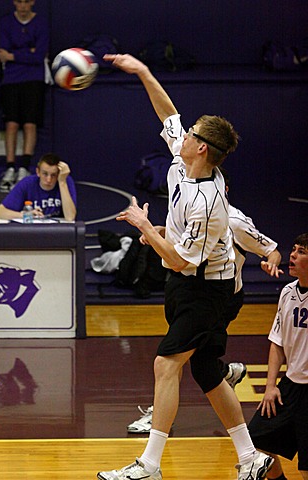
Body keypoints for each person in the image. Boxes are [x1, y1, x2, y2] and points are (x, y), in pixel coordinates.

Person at [97, 53, 274, 480]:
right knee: (208, 371)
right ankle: (250, 458)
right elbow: (169, 113)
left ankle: (150, 465)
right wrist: (142, 72)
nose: (183, 132)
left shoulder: (207, 203)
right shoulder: (184, 158)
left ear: (202, 148)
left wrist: (146, 227)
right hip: (188, 282)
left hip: (205, 290)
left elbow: (177, 259)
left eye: (191, 132)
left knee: (166, 364)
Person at [127, 167, 283, 434]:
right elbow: (185, 244)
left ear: (222, 190)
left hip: (219, 298)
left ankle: (159, 424)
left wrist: (271, 263)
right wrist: (161, 232)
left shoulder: (235, 220)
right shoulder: (193, 206)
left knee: (172, 357)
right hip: (190, 292)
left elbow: (272, 250)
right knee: (199, 363)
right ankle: (229, 385)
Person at [248, 233, 308, 480]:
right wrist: (271, 385)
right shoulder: (287, 292)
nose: (292, 255)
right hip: (290, 386)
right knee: (255, 442)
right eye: (293, 249)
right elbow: (277, 342)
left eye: (301, 251)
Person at [0, 0, 50, 191]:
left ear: (32, 3)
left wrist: (14, 55)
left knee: (30, 124)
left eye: (26, 1)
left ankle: (24, 167)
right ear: (14, 3)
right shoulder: (6, 23)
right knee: (11, 124)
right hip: (11, 79)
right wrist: (28, 52)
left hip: (34, 79)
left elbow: (39, 56)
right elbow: (3, 53)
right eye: (19, 1)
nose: (23, 6)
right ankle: (10, 167)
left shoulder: (41, 23)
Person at [0, 152, 77, 221]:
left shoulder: (65, 181)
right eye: (45, 174)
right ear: (38, 172)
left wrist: (62, 182)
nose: (49, 179)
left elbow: (70, 217)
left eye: (53, 175)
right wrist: (26, 215)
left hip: (58, 232)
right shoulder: (27, 183)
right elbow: (0, 212)